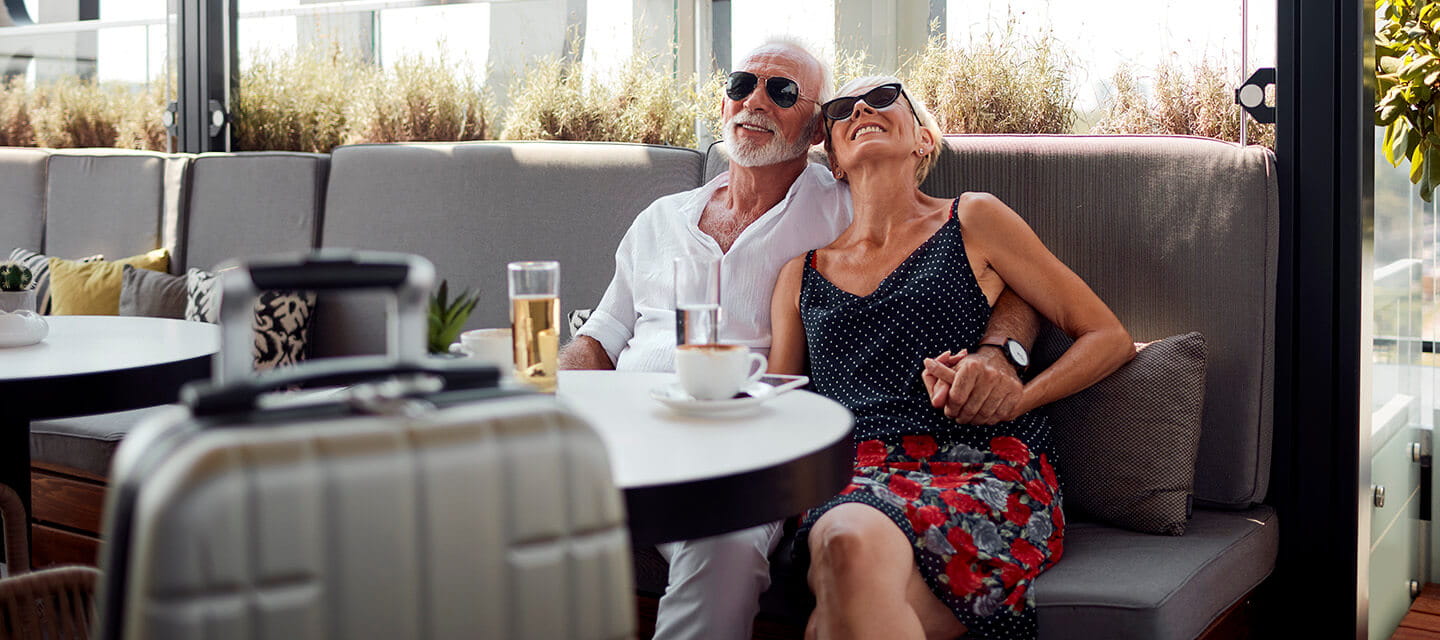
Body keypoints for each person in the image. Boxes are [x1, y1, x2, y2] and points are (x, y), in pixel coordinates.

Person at [559, 40, 1044, 639]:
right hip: (625, 439)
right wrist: (544, 410)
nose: (755, 101)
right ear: (723, 102)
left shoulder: (848, 208)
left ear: (819, 130)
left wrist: (1000, 352)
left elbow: (1011, 281)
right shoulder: (659, 219)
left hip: (737, 451)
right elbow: (600, 340)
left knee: (726, 548)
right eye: (742, 85)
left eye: (782, 91)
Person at [767, 76, 1136, 640]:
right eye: (843, 108)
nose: (862, 106)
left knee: (841, 587)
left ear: (923, 140)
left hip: (982, 465)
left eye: (886, 97)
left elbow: (1106, 336)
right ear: (835, 160)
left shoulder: (972, 219)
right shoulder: (800, 273)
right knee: (844, 573)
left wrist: (1020, 394)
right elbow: (779, 408)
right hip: (853, 473)